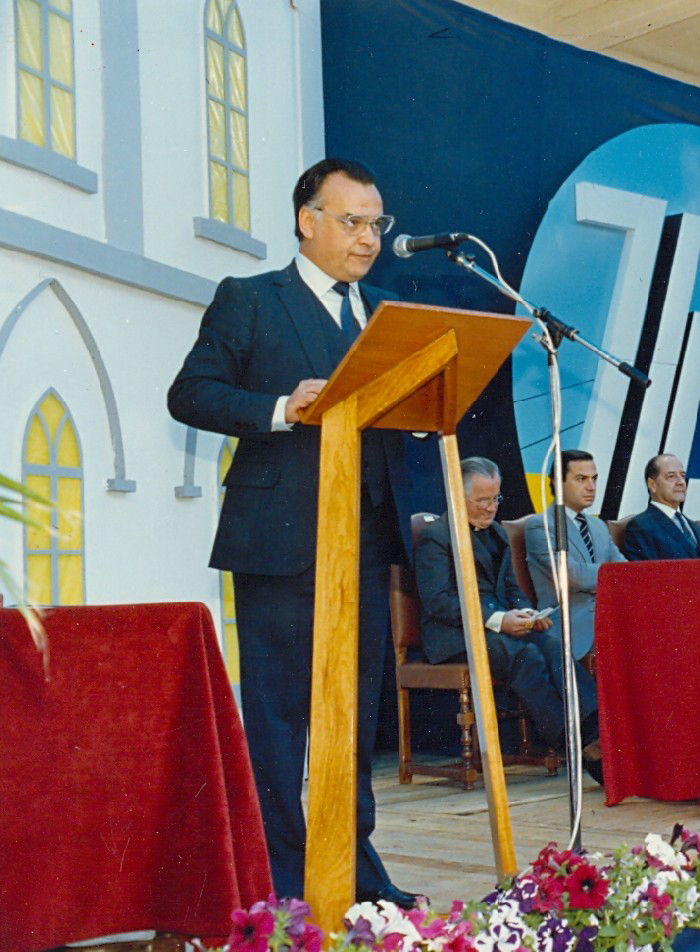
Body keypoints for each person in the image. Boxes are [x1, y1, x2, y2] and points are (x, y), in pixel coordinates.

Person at [167, 158, 417, 906]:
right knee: (279, 717)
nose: (368, 238)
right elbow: (191, 393)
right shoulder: (250, 299)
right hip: (279, 542)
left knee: (353, 713)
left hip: (364, 541)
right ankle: (279, 879)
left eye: (377, 223)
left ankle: (356, 873)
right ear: (308, 220)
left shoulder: (380, 316)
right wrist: (281, 405)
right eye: (352, 222)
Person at [414, 457, 603, 781]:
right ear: (458, 497)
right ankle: (575, 745)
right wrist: (499, 619)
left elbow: (512, 588)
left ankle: (596, 727)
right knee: (524, 655)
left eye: (496, 499)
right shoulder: (437, 536)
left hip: (495, 628)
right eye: (483, 500)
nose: (491, 508)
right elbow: (439, 603)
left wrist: (529, 614)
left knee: (553, 643)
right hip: (453, 636)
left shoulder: (498, 532)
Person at [524, 449, 626, 660]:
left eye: (594, 479)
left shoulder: (598, 526)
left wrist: (609, 575)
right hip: (572, 627)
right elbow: (572, 576)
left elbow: (626, 572)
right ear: (557, 483)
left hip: (611, 619)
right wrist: (611, 575)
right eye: (581, 479)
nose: (591, 487)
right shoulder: (541, 526)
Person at [621, 454, 700, 560]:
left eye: (682, 476)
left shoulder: (694, 527)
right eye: (671, 476)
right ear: (652, 485)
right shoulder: (640, 526)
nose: (681, 482)